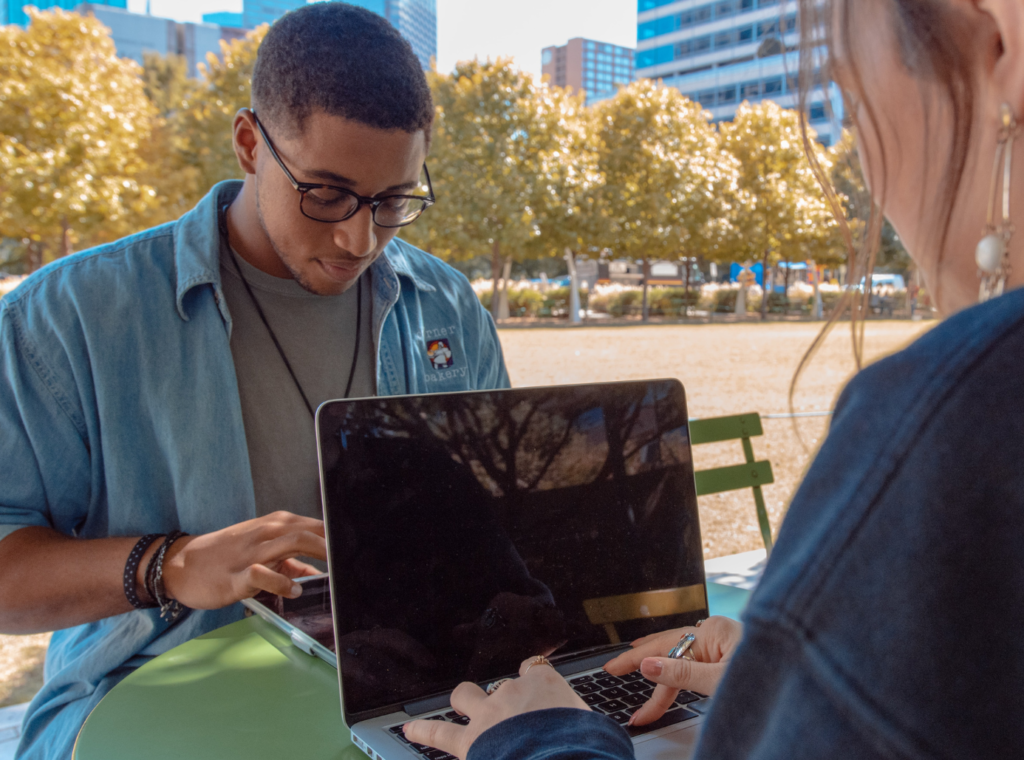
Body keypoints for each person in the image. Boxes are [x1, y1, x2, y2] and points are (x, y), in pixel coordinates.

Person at [404, 0, 1024, 757]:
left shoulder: (952, 426)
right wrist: (793, 685)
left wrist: (540, 741)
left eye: (851, 98)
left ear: (998, 38)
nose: (862, 163)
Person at [0, 4, 508, 758]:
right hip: (143, 705)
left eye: (394, 202)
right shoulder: (70, 315)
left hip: (414, 690)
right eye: (327, 194)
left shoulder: (446, 306)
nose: (359, 238)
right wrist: (170, 566)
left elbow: (493, 522)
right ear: (248, 144)